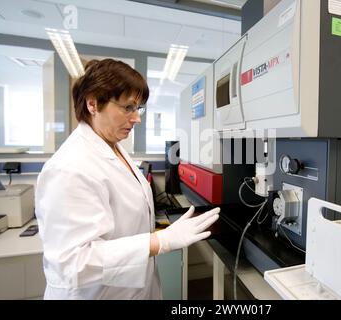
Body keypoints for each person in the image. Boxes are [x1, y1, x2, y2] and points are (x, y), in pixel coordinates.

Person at [35, 59, 220, 300]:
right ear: (93, 103)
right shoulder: (69, 168)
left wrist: (160, 233)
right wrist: (159, 242)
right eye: (128, 108)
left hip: (132, 288)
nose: (137, 118)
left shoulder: (113, 147)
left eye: (139, 108)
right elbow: (73, 263)